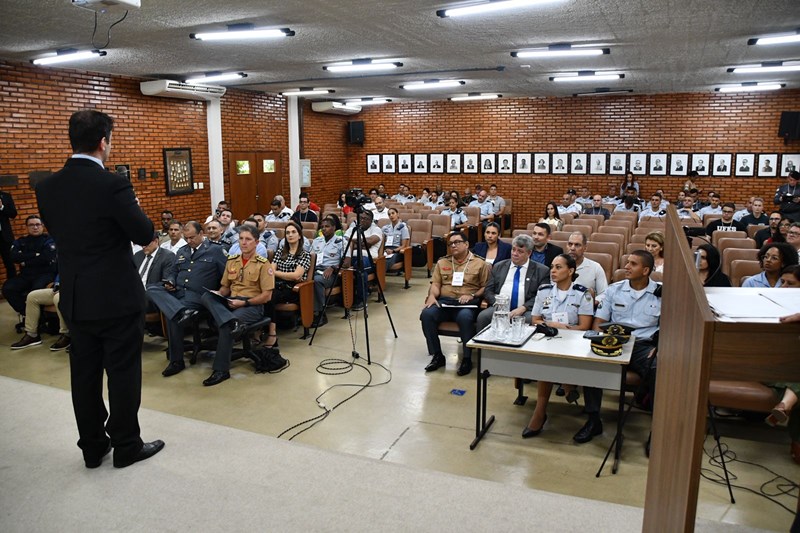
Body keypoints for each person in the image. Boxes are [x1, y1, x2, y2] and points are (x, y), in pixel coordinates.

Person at [35, 109, 162, 468]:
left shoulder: (46, 187)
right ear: (104, 142)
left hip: (76, 296)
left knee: (84, 375)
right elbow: (144, 233)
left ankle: (92, 447)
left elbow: (65, 234)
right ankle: (126, 445)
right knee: (122, 372)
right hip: (116, 296)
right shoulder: (112, 184)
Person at [580, 251, 662, 446]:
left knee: (658, 368)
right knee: (591, 363)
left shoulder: (661, 293)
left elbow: (669, 327)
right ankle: (593, 420)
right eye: (627, 262)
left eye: (633, 264)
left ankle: (657, 429)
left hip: (644, 345)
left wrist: (660, 347)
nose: (626, 266)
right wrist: (598, 343)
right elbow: (599, 323)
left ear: (645, 270)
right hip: (616, 341)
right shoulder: (614, 290)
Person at [522, 254, 594, 439]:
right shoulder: (544, 291)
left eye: (558, 267)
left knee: (551, 360)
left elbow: (585, 326)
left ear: (570, 271)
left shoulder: (583, 293)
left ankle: (545, 407)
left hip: (573, 341)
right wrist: (550, 326)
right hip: (548, 338)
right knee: (546, 360)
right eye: (552, 267)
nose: (552, 271)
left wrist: (563, 327)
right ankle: (546, 405)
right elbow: (535, 319)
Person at [148, 221, 228, 377]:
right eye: (186, 238)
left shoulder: (216, 250)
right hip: (178, 294)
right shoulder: (182, 251)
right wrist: (170, 281)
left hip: (199, 297)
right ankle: (181, 312)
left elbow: (227, 275)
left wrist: (221, 292)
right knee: (152, 288)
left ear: (201, 234)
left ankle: (176, 361)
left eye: (192, 237)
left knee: (172, 316)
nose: (189, 241)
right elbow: (173, 272)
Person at [199, 225, 275, 386]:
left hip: (251, 306)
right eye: (241, 239)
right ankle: (231, 321)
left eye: (248, 239)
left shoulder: (263, 264)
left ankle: (221, 370)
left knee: (226, 326)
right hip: (231, 302)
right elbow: (225, 288)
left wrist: (244, 302)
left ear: (256, 242)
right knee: (206, 296)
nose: (243, 243)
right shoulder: (232, 261)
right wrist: (218, 294)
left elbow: (267, 296)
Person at [420, 231, 490, 376]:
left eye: (457, 242)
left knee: (465, 317)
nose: (453, 246)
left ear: (466, 244)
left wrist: (472, 295)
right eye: (450, 243)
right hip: (445, 302)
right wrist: (432, 296)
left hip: (466, 304)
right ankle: (437, 355)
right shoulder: (442, 262)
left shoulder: (480, 263)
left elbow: (485, 287)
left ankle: (467, 358)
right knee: (426, 314)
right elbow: (436, 284)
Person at [476, 234, 549, 332]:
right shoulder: (499, 266)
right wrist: (497, 303)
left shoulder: (541, 270)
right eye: (513, 249)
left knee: (529, 319)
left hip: (526, 310)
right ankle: (480, 342)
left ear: (529, 253)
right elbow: (488, 290)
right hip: (499, 307)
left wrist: (523, 308)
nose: (515, 253)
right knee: (483, 317)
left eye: (520, 251)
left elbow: (542, 296)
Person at [2, 215, 58, 316]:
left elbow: (45, 258)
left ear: (42, 226)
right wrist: (35, 255)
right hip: (26, 275)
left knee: (35, 292)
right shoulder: (21, 241)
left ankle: (41, 316)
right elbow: (13, 257)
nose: (35, 227)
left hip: (45, 274)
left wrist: (25, 261)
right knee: (7, 288)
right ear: (26, 227)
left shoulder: (49, 240)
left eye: (37, 224)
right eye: (31, 225)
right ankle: (27, 313)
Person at [267, 221, 311, 345]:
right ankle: (259, 329)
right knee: (261, 293)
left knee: (269, 297)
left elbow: (296, 276)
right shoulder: (281, 251)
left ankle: (272, 333)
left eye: (293, 232)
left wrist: (276, 273)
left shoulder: (304, 254)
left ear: (299, 235)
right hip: (277, 284)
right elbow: (270, 270)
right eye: (287, 233)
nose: (290, 235)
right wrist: (283, 274)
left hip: (292, 289)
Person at [10, 275, 71, 351]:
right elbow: (60, 274)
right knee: (32, 296)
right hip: (59, 288)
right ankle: (32, 335)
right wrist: (56, 283)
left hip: (74, 290)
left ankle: (67, 335)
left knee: (58, 298)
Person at [343, 210, 382, 310]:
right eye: (361, 218)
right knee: (340, 265)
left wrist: (353, 243)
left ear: (371, 221)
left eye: (365, 219)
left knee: (360, 267)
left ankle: (362, 300)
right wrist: (360, 244)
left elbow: (370, 241)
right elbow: (345, 242)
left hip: (368, 259)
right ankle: (344, 299)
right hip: (350, 256)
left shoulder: (376, 229)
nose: (362, 220)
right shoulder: (353, 229)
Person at [311, 217, 345, 326]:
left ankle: (320, 314)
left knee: (317, 280)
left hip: (332, 273)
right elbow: (310, 258)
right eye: (322, 227)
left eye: (327, 226)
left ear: (334, 228)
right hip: (315, 269)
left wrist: (333, 267)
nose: (324, 229)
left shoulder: (341, 241)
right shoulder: (317, 241)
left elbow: (347, 262)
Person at [133, 232, 176, 313]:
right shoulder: (138, 255)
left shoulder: (167, 256)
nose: (143, 247)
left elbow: (164, 283)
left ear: (156, 241)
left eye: (146, 244)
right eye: (142, 244)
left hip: (150, 296)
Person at [566, 232, 608, 298]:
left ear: (585, 248)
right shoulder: (558, 266)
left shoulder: (596, 268)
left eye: (577, 245)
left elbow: (604, 294)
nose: (572, 248)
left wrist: (593, 302)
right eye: (570, 244)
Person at [0, 188, 18, 279]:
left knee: (10, 264)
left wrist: (1, 207)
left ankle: (12, 285)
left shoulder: (6, 196)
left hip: (4, 237)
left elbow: (13, 214)